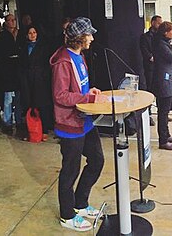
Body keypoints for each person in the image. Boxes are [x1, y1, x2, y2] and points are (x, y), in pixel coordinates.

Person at [50, 17, 104, 232]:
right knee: (70, 170)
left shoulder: (79, 57)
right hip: (69, 123)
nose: (92, 37)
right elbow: (60, 95)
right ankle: (67, 215)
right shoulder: (63, 61)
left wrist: (88, 93)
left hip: (85, 120)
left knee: (97, 161)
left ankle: (80, 203)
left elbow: (79, 88)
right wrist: (86, 99)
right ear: (80, 38)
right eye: (88, 34)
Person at [18, 25, 53, 139]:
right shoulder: (23, 47)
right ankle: (30, 131)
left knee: (42, 105)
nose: (32, 35)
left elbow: (47, 64)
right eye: (30, 33)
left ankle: (44, 130)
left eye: (34, 32)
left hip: (40, 80)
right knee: (28, 105)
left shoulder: (43, 46)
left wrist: (43, 76)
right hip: (27, 80)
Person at [151, 21, 172, 151]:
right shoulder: (161, 44)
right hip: (163, 82)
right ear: (165, 32)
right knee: (163, 113)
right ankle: (163, 140)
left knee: (165, 111)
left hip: (166, 81)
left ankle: (166, 135)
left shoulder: (163, 43)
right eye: (171, 30)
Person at [139, 15, 162, 91]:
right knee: (150, 85)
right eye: (158, 23)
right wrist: (152, 58)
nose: (160, 25)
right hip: (150, 66)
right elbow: (144, 50)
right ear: (153, 23)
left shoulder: (160, 36)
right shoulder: (145, 37)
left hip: (160, 66)